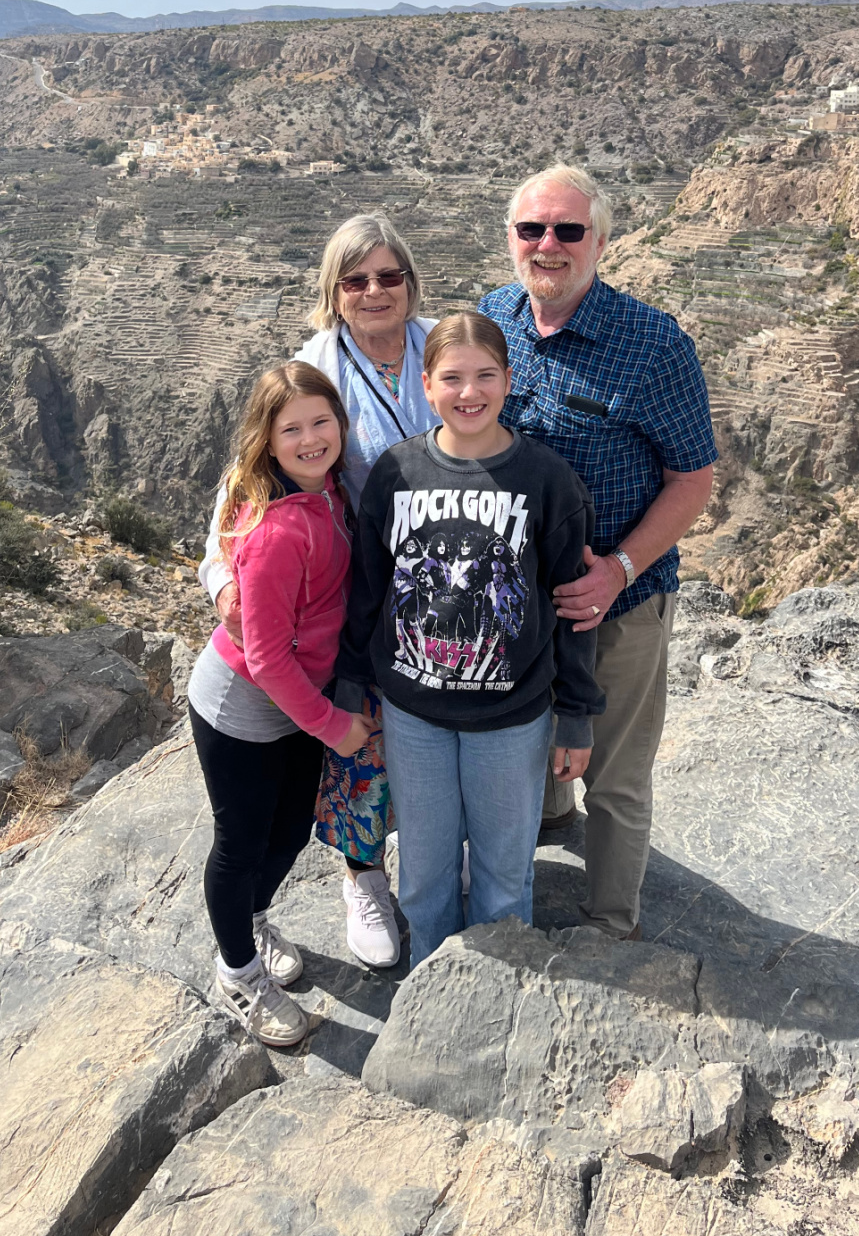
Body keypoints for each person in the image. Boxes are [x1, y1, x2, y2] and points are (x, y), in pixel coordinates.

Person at [479, 164, 717, 941]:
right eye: (532, 230)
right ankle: (549, 827)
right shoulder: (493, 320)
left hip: (620, 600)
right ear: (510, 239)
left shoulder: (652, 344)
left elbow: (694, 478)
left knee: (615, 773)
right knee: (525, 744)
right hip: (514, 598)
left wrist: (618, 571)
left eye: (568, 231)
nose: (548, 245)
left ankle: (611, 924)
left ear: (601, 242)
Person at [198, 213, 435, 968]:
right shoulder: (315, 367)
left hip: (441, 589)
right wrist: (219, 577)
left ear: (410, 283)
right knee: (359, 744)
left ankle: (437, 871)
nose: (374, 291)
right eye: (355, 279)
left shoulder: (444, 349)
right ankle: (366, 878)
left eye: (388, 276)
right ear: (333, 292)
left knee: (429, 739)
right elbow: (246, 486)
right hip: (357, 598)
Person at [335, 312, 604, 968]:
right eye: (451, 378)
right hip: (414, 716)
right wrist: (349, 685)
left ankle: (495, 998)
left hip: (512, 721)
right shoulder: (396, 474)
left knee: (504, 876)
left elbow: (572, 609)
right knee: (424, 874)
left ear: (509, 381)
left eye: (486, 376)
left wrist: (575, 715)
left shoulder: (546, 480)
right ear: (425, 386)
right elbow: (369, 590)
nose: (469, 392)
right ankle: (429, 991)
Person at [186, 361, 372, 1048]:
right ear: (267, 440)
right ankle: (238, 970)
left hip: (296, 703)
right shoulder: (278, 532)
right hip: (242, 708)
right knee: (241, 845)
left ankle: (255, 919)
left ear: (341, 425)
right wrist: (333, 725)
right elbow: (264, 659)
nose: (310, 438)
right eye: (291, 428)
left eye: (321, 421)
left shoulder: (329, 496)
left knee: (292, 828)